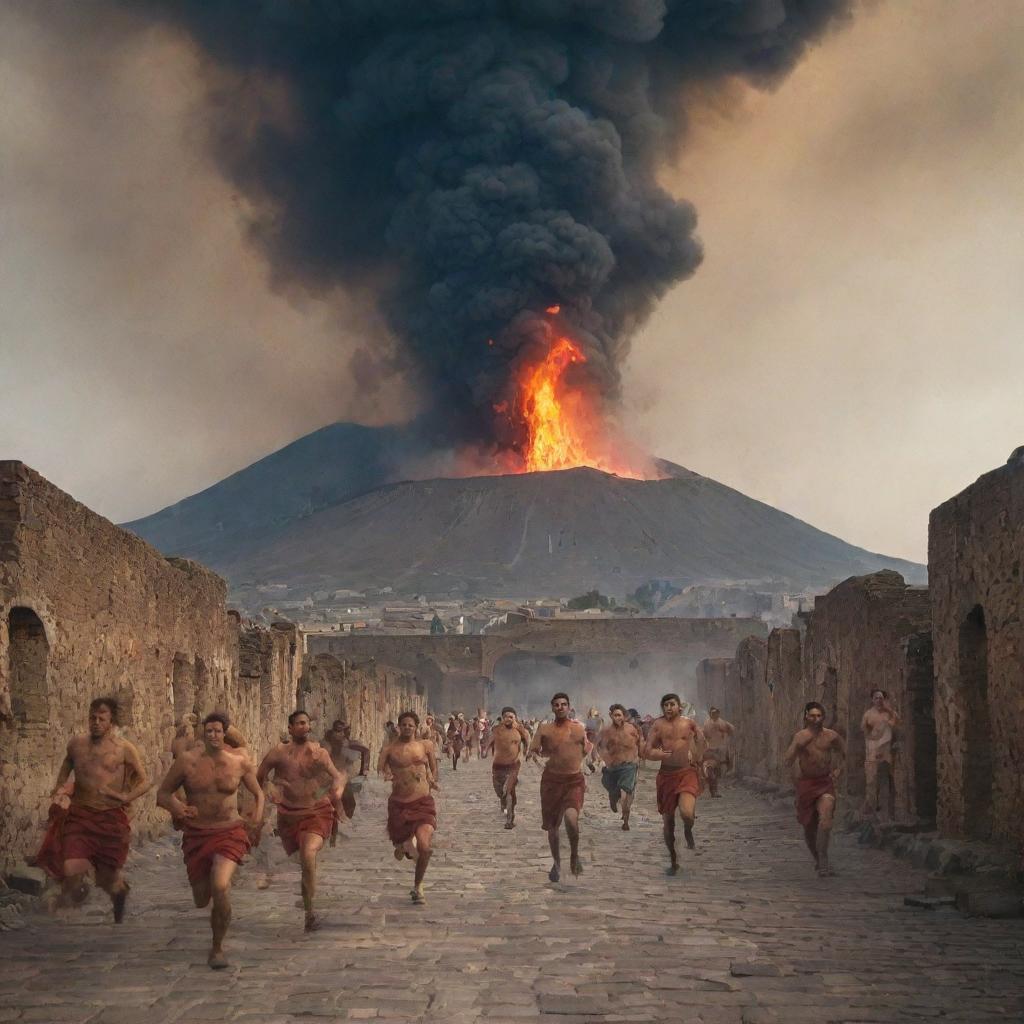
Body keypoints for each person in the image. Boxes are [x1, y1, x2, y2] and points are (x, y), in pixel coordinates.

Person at [156, 712, 263, 968]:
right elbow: (162, 794)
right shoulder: (187, 762)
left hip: (229, 831)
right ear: (204, 734)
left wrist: (256, 816)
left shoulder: (238, 761)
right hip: (198, 833)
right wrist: (178, 809)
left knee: (221, 885)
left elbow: (258, 792)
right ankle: (213, 910)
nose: (214, 735)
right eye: (209, 731)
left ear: (225, 733)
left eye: (218, 731)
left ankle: (217, 948)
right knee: (201, 898)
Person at [32, 697, 149, 922]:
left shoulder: (124, 749)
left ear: (111, 721)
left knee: (108, 879)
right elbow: (68, 763)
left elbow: (144, 781)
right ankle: (76, 891)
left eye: (101, 718)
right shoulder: (77, 744)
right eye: (91, 718)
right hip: (80, 816)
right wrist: (59, 787)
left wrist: (126, 797)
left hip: (111, 820)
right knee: (71, 870)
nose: (95, 722)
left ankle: (119, 892)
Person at [257, 710, 345, 931]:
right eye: (298, 723)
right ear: (290, 728)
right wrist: (270, 788)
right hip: (288, 815)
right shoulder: (279, 753)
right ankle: (306, 899)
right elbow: (260, 776)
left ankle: (309, 912)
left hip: (316, 812)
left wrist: (334, 791)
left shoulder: (319, 753)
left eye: (306, 723)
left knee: (308, 855)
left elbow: (337, 777)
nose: (303, 727)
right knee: (301, 859)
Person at [378, 711, 439, 904]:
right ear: (399, 726)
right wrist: (387, 773)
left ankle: (418, 886)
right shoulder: (389, 750)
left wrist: (431, 779)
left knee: (425, 847)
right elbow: (381, 768)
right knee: (405, 845)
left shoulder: (425, 746)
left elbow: (433, 767)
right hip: (399, 804)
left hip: (422, 801)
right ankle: (404, 846)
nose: (407, 728)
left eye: (411, 725)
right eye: (404, 724)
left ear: (416, 727)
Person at [527, 692, 587, 882]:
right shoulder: (544, 729)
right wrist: (538, 760)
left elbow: (586, 749)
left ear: (569, 707)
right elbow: (533, 751)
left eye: (564, 704)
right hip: (551, 782)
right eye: (557, 705)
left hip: (573, 781)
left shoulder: (578, 729)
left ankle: (574, 855)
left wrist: (583, 763)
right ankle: (557, 863)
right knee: (553, 827)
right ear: (552, 708)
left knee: (571, 820)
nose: (560, 707)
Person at [644, 693, 705, 876]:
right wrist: (659, 755)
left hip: (686, 772)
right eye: (665, 705)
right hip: (666, 776)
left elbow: (702, 741)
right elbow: (647, 750)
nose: (668, 708)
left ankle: (688, 828)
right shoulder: (658, 725)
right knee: (668, 822)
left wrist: (697, 756)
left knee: (686, 813)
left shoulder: (689, 723)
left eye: (672, 704)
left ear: (679, 707)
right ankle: (673, 860)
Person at [784, 701, 846, 878]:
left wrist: (838, 770)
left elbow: (844, 753)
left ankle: (824, 861)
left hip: (825, 783)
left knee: (825, 819)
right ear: (806, 716)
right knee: (809, 827)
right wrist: (795, 778)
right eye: (812, 715)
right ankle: (818, 859)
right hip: (806, 785)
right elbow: (788, 760)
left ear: (823, 717)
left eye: (819, 716)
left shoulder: (831, 736)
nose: (816, 719)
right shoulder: (800, 737)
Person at [597, 704, 642, 830]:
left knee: (626, 794)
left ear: (624, 716)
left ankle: (625, 821)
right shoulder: (606, 731)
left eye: (620, 715)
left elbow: (639, 743)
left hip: (629, 766)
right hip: (612, 768)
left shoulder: (632, 729)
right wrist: (604, 758)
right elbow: (599, 747)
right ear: (611, 716)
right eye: (615, 715)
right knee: (613, 789)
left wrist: (640, 756)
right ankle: (613, 796)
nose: (618, 718)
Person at [486, 707, 530, 829]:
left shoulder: (519, 730)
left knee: (508, 790)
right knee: (500, 791)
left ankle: (510, 820)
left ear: (515, 718)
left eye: (511, 717)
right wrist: (485, 750)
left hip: (513, 765)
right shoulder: (497, 730)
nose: (508, 719)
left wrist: (527, 751)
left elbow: (527, 739)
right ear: (502, 718)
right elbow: (490, 740)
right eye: (506, 716)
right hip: (498, 766)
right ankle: (503, 800)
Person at [323, 719, 370, 828]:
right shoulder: (326, 744)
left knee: (349, 803)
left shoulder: (348, 744)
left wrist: (364, 770)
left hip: (341, 779)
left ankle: (341, 825)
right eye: (338, 731)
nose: (341, 734)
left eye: (343, 731)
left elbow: (365, 751)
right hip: (326, 779)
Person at [860, 690, 899, 819]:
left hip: (887, 750)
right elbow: (865, 731)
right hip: (873, 749)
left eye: (881, 698)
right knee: (871, 779)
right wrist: (873, 742)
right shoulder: (868, 714)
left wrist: (890, 712)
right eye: (876, 698)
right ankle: (871, 806)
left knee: (889, 778)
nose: (879, 700)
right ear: (872, 699)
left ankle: (889, 810)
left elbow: (896, 725)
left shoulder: (889, 713)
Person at [701, 707, 735, 798]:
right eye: (712, 713)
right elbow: (703, 734)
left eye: (716, 713)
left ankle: (713, 790)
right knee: (710, 770)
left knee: (716, 772)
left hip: (719, 751)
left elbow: (732, 729)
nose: (714, 715)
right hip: (710, 750)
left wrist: (724, 735)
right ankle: (713, 790)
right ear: (710, 714)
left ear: (718, 714)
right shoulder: (707, 723)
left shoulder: (722, 723)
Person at [584, 706, 604, 773]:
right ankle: (592, 765)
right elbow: (586, 728)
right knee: (590, 751)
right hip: (589, 736)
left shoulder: (599, 720)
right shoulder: (589, 719)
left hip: (595, 736)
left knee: (594, 750)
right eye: (591, 711)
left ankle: (595, 764)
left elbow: (598, 729)